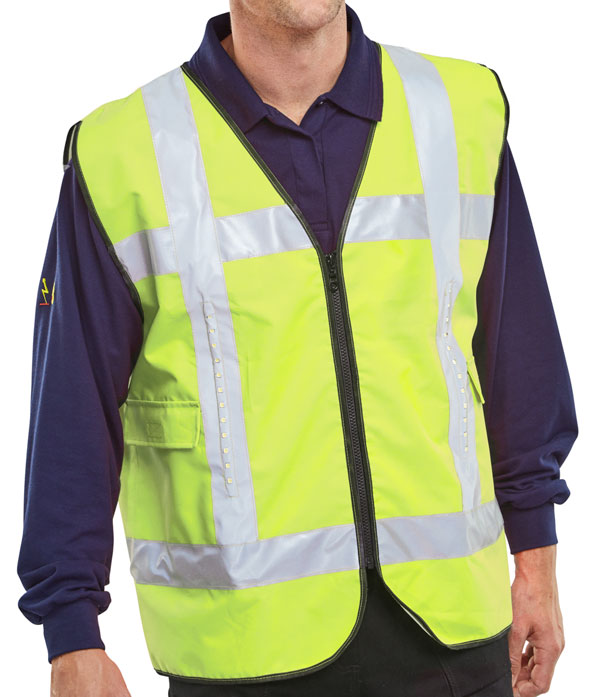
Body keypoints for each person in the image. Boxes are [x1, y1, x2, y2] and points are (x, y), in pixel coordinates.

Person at [17, 2, 578, 696]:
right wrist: (71, 631)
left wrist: (536, 559)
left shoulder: (458, 112)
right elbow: (73, 408)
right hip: (241, 651)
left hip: (452, 638)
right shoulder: (124, 152)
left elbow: (519, 355)